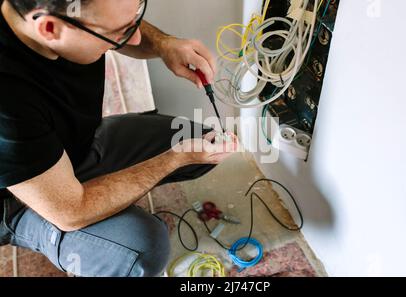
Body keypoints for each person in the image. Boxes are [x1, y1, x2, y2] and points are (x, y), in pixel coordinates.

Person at [0, 0, 237, 277]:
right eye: (119, 32)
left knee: (198, 141)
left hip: (75, 144)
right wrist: (175, 158)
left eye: (135, 16)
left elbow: (111, 16)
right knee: (143, 250)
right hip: (21, 196)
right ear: (50, 29)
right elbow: (71, 211)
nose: (134, 38)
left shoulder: (58, 15)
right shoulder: (8, 101)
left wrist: (163, 44)